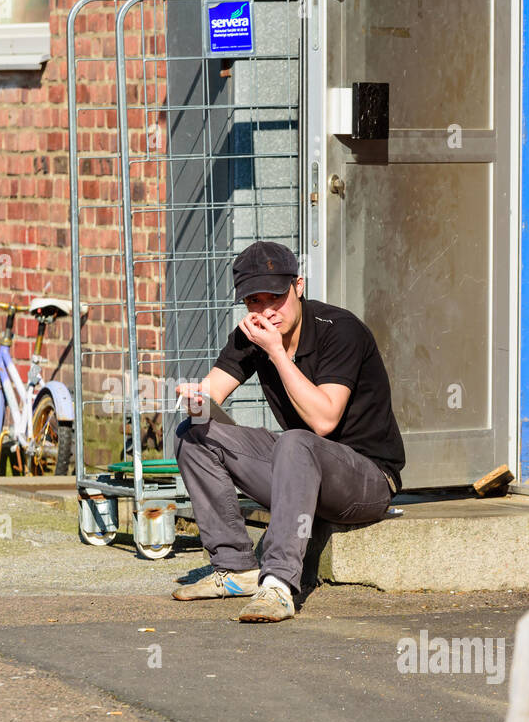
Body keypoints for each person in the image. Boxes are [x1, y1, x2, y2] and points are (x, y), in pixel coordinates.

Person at [172, 240, 405, 623]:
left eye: (275, 298)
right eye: (253, 302)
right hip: (300, 469)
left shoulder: (340, 330)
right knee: (193, 433)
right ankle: (236, 569)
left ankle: (278, 585)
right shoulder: (252, 334)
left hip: (367, 479)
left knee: (297, 442)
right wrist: (192, 398)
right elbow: (210, 397)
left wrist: (277, 353)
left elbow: (324, 420)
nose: (266, 312)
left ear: (298, 286)